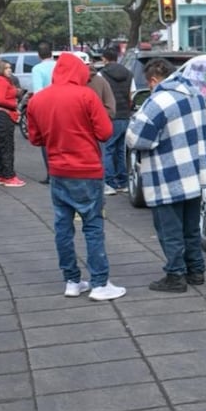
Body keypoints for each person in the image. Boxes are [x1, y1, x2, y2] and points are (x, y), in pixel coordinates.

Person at [28, 53, 125, 301]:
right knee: (93, 226)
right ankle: (99, 283)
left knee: (63, 227)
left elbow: (35, 138)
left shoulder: (38, 100)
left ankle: (71, 280)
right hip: (87, 170)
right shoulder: (86, 95)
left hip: (58, 171)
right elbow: (105, 132)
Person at [127, 59, 206, 294]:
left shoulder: (158, 100)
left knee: (169, 230)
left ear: (153, 80)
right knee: (190, 228)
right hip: (193, 173)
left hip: (167, 176)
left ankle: (175, 275)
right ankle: (196, 270)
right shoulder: (195, 94)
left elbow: (137, 139)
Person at [0, 59, 26, 187]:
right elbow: (1, 100)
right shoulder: (2, 81)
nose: (9, 70)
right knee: (7, 146)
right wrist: (13, 104)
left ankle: (2, 175)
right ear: (0, 69)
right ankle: (9, 176)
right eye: (7, 68)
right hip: (4, 114)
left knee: (1, 146)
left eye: (10, 68)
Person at [98, 47, 132, 195]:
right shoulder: (129, 73)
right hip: (125, 115)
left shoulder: (102, 74)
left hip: (111, 116)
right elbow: (131, 95)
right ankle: (123, 182)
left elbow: (101, 96)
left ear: (104, 58)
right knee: (121, 150)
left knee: (108, 149)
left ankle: (109, 183)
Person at [31, 42, 57, 184]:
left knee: (46, 142)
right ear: (51, 53)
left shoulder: (37, 69)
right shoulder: (58, 66)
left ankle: (51, 173)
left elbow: (38, 92)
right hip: (62, 106)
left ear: (38, 55)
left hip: (46, 109)